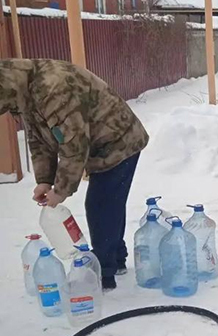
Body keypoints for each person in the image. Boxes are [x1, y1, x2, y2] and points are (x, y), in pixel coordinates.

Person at [0, 59, 149, 290]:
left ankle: (103, 273)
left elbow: (73, 145)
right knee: (109, 203)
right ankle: (115, 259)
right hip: (97, 144)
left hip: (119, 140)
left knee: (100, 204)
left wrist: (60, 190)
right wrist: (44, 180)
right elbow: (39, 140)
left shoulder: (54, 88)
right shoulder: (24, 90)